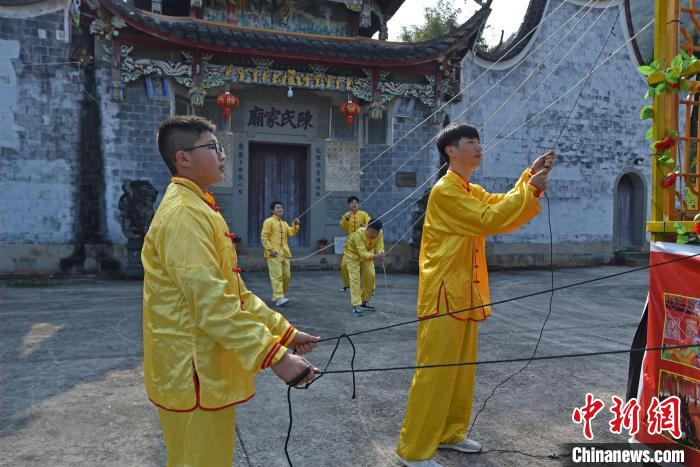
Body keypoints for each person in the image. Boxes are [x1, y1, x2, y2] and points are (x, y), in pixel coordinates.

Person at [142, 115, 319, 467]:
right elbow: (211, 304)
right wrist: (277, 358)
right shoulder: (185, 215)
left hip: (200, 367)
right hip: (191, 369)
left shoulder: (201, 208)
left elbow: (234, 291)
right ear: (184, 158)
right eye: (213, 147)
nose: (223, 155)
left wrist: (284, 332)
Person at [396, 123, 555, 466]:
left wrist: (530, 177)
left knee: (461, 369)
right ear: (451, 151)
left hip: (465, 293)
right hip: (443, 295)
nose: (479, 147)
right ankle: (414, 449)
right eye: (471, 142)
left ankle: (450, 433)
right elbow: (491, 218)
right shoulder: (446, 192)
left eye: (479, 142)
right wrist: (531, 191)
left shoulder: (469, 189)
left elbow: (498, 203)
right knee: (435, 372)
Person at [342, 218, 385, 316]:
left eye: (377, 232)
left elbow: (379, 246)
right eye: (373, 232)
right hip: (352, 255)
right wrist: (375, 256)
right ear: (367, 228)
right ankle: (356, 305)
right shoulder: (359, 234)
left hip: (368, 254)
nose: (375, 235)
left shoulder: (380, 233)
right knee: (355, 279)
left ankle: (364, 301)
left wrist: (380, 253)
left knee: (371, 275)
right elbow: (361, 252)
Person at [261, 201, 300, 307]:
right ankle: (279, 297)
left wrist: (296, 224)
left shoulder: (284, 223)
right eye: (278, 208)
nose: (280, 209)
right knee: (276, 275)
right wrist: (270, 249)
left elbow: (291, 232)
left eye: (281, 208)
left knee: (287, 276)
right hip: (273, 253)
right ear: (272, 210)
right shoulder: (268, 222)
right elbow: (264, 237)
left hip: (285, 253)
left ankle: (278, 295)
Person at [339, 196, 371, 293]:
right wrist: (346, 219)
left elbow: (370, 223)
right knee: (344, 265)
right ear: (349, 205)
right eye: (352, 203)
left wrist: (367, 226)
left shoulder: (364, 214)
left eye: (356, 202)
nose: (354, 204)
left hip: (362, 244)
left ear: (358, 204)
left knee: (366, 267)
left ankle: (368, 288)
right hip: (350, 244)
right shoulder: (346, 215)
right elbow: (343, 226)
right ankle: (347, 285)